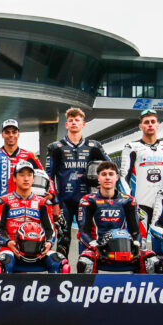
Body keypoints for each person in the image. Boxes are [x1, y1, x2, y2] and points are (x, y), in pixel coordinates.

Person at [46, 107, 119, 256]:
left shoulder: (94, 146)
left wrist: (103, 185)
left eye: (77, 120)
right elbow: (48, 177)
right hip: (64, 201)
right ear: (66, 124)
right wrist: (54, 202)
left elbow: (112, 168)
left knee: (86, 237)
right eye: (71, 120)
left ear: (83, 124)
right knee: (63, 238)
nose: (74, 123)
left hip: (87, 201)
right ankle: (62, 268)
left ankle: (85, 266)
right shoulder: (56, 147)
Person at [76, 161, 163, 274]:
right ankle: (88, 286)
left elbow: (135, 231)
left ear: (116, 177)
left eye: (111, 174)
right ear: (98, 178)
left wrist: (136, 245)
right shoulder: (88, 200)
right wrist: (95, 246)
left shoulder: (128, 200)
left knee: (153, 261)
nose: (107, 177)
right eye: (104, 174)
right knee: (85, 262)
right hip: (97, 249)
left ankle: (142, 285)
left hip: (124, 248)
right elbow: (83, 231)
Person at [0, 161, 68, 273]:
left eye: (29, 175)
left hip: (38, 249)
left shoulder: (43, 202)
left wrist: (49, 243)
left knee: (61, 264)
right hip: (11, 248)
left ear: (33, 179)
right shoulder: (3, 201)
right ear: (14, 178)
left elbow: (50, 229)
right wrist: (7, 242)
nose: (26, 178)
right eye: (22, 175)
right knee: (2, 264)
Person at [120, 109, 163, 230]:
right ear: (140, 126)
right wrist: (129, 200)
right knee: (139, 240)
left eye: (153, 121)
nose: (150, 125)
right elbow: (124, 176)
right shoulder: (131, 147)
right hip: (141, 203)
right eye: (146, 122)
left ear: (157, 124)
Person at [0, 118, 53, 205]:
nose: (11, 135)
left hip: (25, 206)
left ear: (18, 134)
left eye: (14, 132)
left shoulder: (30, 155)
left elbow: (46, 177)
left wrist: (52, 196)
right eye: (7, 132)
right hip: (1, 205)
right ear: (2, 134)